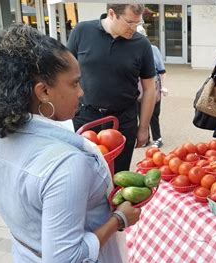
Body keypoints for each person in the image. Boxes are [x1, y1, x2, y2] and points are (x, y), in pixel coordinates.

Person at [0, 24, 140, 263]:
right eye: (74, 83)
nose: (81, 92)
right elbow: (65, 260)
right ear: (44, 91)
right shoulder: (67, 163)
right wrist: (119, 219)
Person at [67, 4, 156, 172]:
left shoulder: (142, 44)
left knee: (118, 176)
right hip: (85, 117)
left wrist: (143, 128)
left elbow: (150, 89)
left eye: (138, 23)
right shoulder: (82, 31)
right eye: (130, 22)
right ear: (112, 14)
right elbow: (65, 75)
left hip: (123, 121)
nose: (134, 28)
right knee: (83, 172)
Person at [136, 25, 168, 148]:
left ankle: (157, 138)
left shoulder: (153, 49)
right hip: (137, 86)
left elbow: (162, 71)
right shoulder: (130, 49)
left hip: (153, 84)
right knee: (140, 112)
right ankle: (146, 138)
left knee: (154, 113)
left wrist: (163, 87)